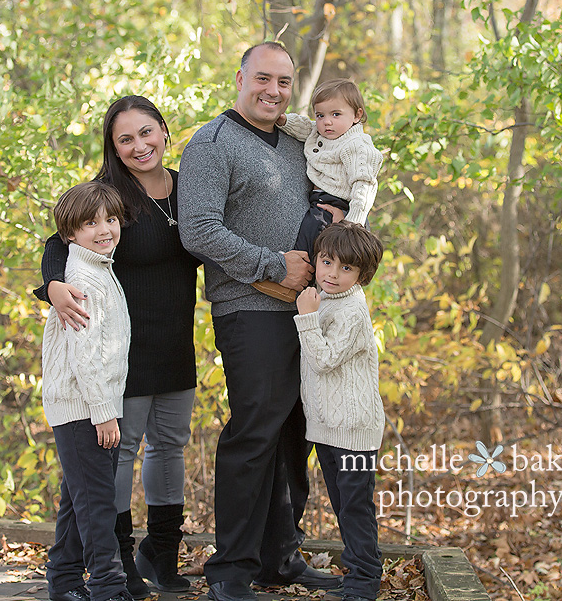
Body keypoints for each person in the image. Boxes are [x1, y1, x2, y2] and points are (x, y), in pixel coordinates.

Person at [177, 41, 344, 601]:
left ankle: (281, 557)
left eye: (284, 82)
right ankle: (231, 569)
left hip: (309, 311)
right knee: (255, 431)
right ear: (241, 77)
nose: (274, 91)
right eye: (263, 79)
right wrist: (273, 265)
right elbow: (197, 229)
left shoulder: (301, 143)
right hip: (248, 309)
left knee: (298, 431)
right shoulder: (212, 143)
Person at [35, 96, 200, 599]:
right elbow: (59, 245)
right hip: (119, 349)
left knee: (170, 447)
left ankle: (163, 555)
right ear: (113, 147)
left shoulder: (189, 186)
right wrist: (53, 288)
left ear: (165, 131)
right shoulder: (109, 196)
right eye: (124, 138)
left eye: (146, 132)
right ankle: (120, 565)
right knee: (119, 453)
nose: (138, 145)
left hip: (175, 339)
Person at [40, 181, 133, 601]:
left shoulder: (100, 269)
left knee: (77, 499)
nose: (104, 229)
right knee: (96, 504)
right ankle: (109, 588)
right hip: (82, 408)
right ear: (70, 234)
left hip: (93, 405)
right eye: (90, 223)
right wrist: (103, 411)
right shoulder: (81, 280)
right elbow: (84, 355)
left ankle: (63, 581)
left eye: (110, 219)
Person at [293, 222, 385, 601]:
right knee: (342, 505)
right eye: (327, 262)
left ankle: (364, 580)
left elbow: (325, 360)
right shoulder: (328, 298)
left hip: (354, 433)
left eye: (345, 268)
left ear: (362, 274)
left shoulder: (350, 310)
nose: (332, 273)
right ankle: (357, 574)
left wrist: (306, 318)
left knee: (355, 508)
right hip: (328, 429)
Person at [278, 78, 383, 259]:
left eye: (336, 114)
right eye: (320, 115)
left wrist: (353, 224)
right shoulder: (322, 134)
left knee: (317, 233)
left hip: (340, 204)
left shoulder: (357, 145)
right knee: (307, 230)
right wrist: (284, 120)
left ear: (357, 115)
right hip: (320, 199)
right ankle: (298, 263)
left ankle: (300, 265)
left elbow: (364, 184)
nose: (327, 122)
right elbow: (305, 127)